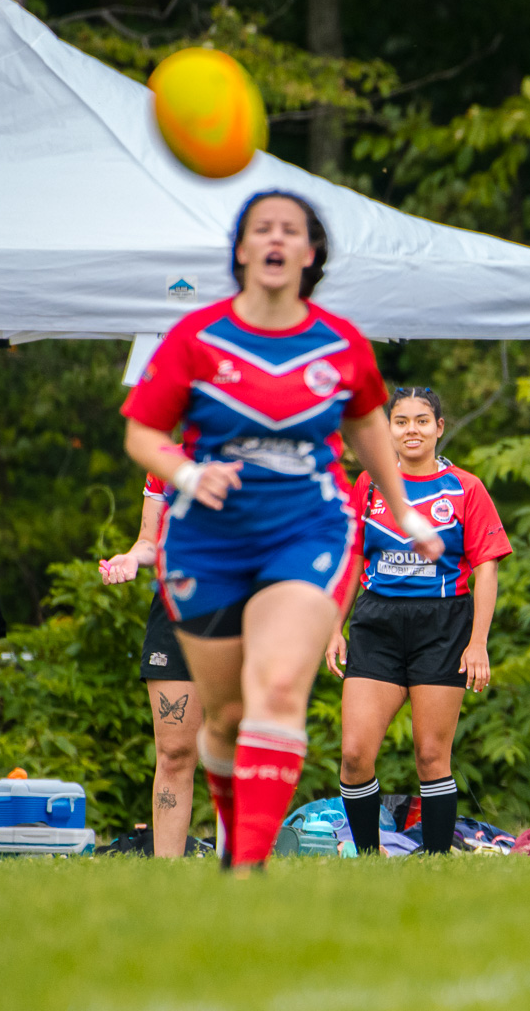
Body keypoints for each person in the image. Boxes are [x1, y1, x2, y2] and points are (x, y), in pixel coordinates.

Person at [121, 189, 442, 870]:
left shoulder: (341, 343)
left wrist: (405, 509)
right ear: (241, 250)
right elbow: (145, 434)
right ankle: (239, 835)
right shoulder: (196, 338)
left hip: (308, 529)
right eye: (260, 228)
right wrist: (185, 474)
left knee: (276, 689)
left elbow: (366, 429)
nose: (275, 239)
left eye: (289, 229)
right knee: (229, 714)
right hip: (207, 540)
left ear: (310, 252)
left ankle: (247, 865)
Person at [322, 387, 511, 855]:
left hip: (443, 625)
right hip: (377, 623)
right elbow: (349, 561)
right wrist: (332, 627)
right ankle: (369, 857)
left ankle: (436, 862)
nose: (412, 430)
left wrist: (478, 642)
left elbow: (486, 564)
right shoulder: (368, 485)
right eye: (401, 421)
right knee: (354, 755)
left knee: (431, 756)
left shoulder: (466, 488)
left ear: (439, 428)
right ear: (387, 429)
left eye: (422, 421)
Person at [99, 474, 206, 857]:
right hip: (174, 610)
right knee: (174, 752)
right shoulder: (164, 463)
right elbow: (149, 541)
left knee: (241, 746)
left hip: (239, 608)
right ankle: (167, 874)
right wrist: (131, 557)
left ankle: (241, 872)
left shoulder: (251, 450)